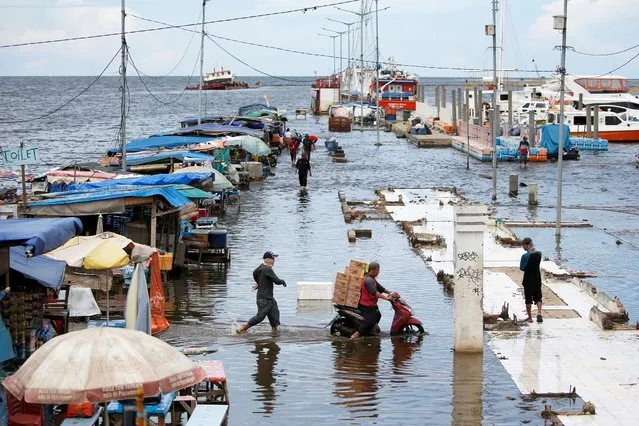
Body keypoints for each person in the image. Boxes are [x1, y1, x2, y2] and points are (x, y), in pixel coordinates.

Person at [237, 251, 287, 335]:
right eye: (273, 259)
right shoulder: (267, 269)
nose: (274, 261)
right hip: (264, 299)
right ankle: (242, 329)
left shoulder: (261, 267)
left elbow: (255, 273)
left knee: (274, 314)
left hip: (269, 298)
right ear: (268, 260)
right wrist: (282, 281)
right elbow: (276, 280)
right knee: (260, 317)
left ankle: (274, 333)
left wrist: (259, 283)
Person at [350, 262, 398, 339]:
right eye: (377, 270)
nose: (378, 272)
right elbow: (374, 292)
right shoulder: (368, 280)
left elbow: (380, 288)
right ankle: (355, 335)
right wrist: (386, 298)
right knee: (370, 321)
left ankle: (369, 331)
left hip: (372, 304)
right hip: (365, 305)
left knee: (378, 315)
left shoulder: (372, 278)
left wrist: (390, 292)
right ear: (372, 270)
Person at [520, 237, 543, 323]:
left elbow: (522, 268)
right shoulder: (539, 254)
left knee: (528, 298)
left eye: (523, 245)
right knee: (538, 297)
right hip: (537, 277)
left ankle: (530, 317)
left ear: (527, 245)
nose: (523, 247)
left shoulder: (525, 256)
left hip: (528, 279)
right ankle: (539, 313)